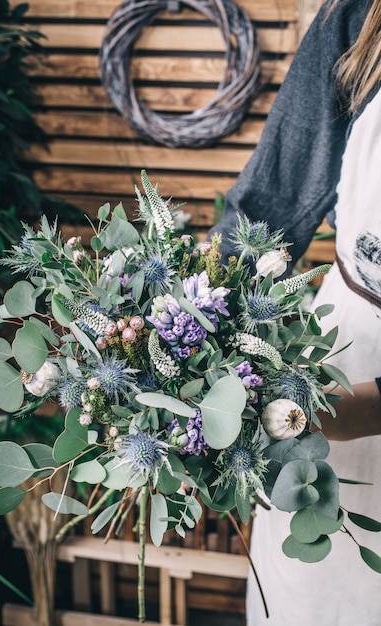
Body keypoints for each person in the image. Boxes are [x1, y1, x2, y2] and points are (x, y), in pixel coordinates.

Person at [209, 0, 381, 624]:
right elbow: (270, 207)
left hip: (350, 402)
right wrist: (193, 344)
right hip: (346, 345)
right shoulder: (359, 17)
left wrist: (361, 409)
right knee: (316, 585)